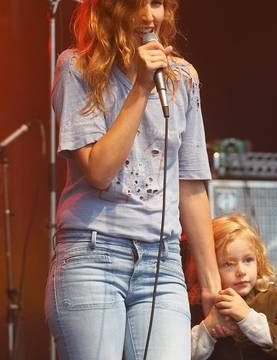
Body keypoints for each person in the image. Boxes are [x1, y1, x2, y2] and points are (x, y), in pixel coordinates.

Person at [44, 0, 221, 359]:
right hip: (92, 255)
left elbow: (190, 184)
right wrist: (140, 88)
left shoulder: (183, 78)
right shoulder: (77, 68)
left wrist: (211, 285)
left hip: (162, 261)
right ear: (109, 8)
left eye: (156, 3)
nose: (147, 15)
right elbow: (98, 172)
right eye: (135, 3)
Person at [187, 213, 277, 360]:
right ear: (210, 268)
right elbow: (178, 353)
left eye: (248, 260)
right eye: (228, 264)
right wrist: (208, 328)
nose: (241, 271)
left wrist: (247, 317)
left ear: (258, 260)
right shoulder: (197, 306)